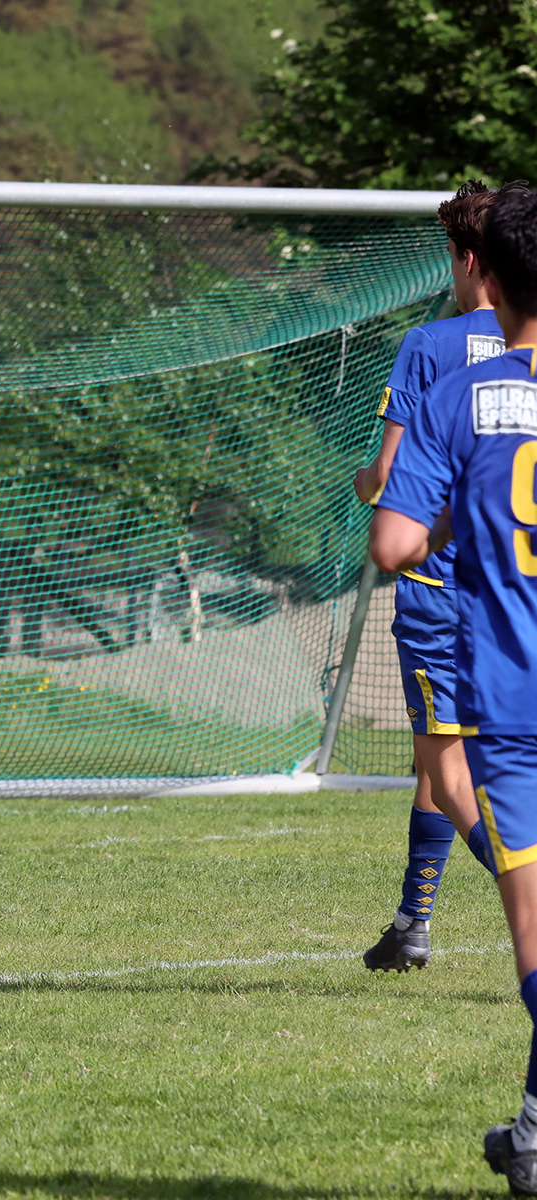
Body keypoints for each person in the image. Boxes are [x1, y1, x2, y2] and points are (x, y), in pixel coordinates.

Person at [373, 187, 537, 1192]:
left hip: (509, 680)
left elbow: (393, 536)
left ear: (484, 269)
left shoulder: (451, 379)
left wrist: (435, 517)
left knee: (533, 928)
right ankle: (531, 1133)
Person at [351, 181, 527, 972]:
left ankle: (519, 893)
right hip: (515, 594)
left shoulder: (431, 347)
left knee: (447, 769)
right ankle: (412, 922)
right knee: (443, 758)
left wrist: (367, 484)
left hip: (440, 592)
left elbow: (391, 480)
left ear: (470, 261)